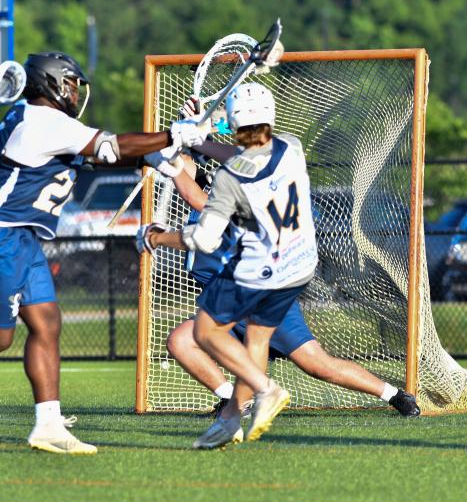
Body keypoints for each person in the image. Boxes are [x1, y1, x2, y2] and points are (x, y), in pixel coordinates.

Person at [139, 138, 419, 447]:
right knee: (181, 340)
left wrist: (168, 166)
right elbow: (193, 180)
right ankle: (234, 402)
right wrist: (176, 148)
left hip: (259, 296)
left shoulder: (229, 201)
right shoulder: (212, 194)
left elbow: (194, 198)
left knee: (317, 364)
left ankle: (393, 395)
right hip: (229, 306)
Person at [0, 51, 209, 455]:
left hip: (23, 240)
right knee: (2, 338)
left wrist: (161, 151)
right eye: (73, 83)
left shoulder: (46, 123)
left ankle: (47, 424)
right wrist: (172, 136)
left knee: (46, 322)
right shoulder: (45, 123)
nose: (77, 92)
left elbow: (108, 151)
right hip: (5, 237)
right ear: (53, 83)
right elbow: (111, 147)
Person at [137, 82, 323, 449]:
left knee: (205, 331)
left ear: (234, 121)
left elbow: (204, 238)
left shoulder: (229, 180)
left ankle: (265, 389)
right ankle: (230, 419)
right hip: (298, 266)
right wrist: (202, 137)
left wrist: (155, 237)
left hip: (259, 270)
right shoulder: (291, 148)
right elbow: (247, 152)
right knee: (255, 337)